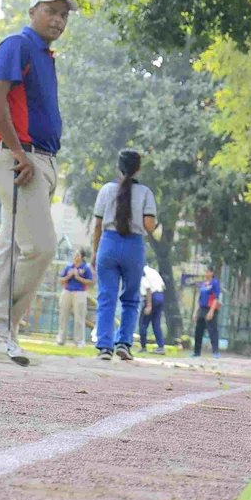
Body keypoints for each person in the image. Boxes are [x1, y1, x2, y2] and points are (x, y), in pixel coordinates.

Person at [0, 0, 72, 365]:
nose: (58, 20)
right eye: (51, 11)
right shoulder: (17, 44)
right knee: (42, 247)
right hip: (20, 161)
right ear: (33, 11)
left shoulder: (45, 56)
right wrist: (17, 151)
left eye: (64, 15)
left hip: (40, 161)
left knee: (14, 250)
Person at [90, 150, 158, 362]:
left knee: (106, 297)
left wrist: (95, 251)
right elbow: (149, 225)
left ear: (118, 168)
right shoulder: (145, 192)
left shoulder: (106, 190)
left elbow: (98, 225)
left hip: (108, 244)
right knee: (130, 299)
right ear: (138, 169)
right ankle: (124, 344)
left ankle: (104, 347)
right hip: (133, 246)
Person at [56, 248, 96, 347]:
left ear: (82, 257)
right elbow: (61, 280)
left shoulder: (85, 268)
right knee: (63, 315)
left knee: (79, 316)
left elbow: (90, 282)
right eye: (75, 254)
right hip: (67, 291)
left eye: (78, 255)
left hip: (80, 292)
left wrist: (79, 278)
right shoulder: (69, 266)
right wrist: (68, 277)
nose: (75, 256)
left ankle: (79, 341)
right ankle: (61, 339)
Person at [193, 267, 222, 358]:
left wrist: (211, 311)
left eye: (208, 271)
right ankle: (196, 352)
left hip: (210, 308)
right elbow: (199, 299)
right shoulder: (203, 284)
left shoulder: (215, 283)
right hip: (202, 308)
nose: (206, 273)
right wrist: (195, 312)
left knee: (212, 330)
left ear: (212, 273)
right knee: (198, 330)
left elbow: (216, 298)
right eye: (205, 271)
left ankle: (215, 352)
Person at [138, 263, 167, 354]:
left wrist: (149, 305)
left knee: (142, 323)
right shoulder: (153, 271)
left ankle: (143, 347)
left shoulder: (143, 272)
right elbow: (162, 285)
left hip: (151, 297)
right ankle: (160, 346)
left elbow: (148, 289)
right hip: (160, 296)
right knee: (156, 323)